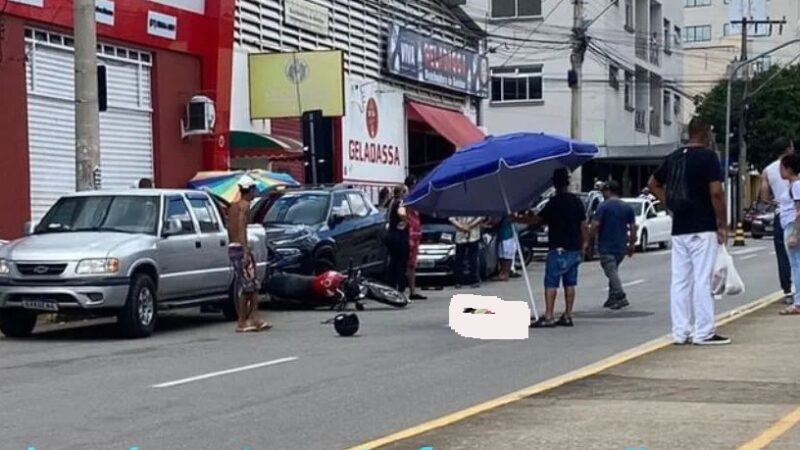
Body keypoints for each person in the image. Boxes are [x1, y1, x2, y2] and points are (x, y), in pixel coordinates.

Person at [648, 116, 729, 346]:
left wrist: (670, 203)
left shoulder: (673, 157)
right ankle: (704, 332)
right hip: (702, 226)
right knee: (702, 279)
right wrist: (722, 223)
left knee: (680, 281)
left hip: (680, 228)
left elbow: (652, 184)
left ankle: (680, 332)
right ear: (705, 133)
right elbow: (716, 193)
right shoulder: (708, 157)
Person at [516, 168, 587, 328]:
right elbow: (584, 225)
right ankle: (568, 315)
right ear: (568, 183)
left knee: (551, 283)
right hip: (574, 248)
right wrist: (584, 245)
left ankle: (549, 315)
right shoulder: (576, 202)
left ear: (554, 184)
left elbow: (537, 220)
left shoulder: (554, 203)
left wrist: (517, 218)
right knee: (570, 283)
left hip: (558, 248)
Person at [227, 175, 270, 333]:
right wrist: (245, 250)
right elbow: (241, 227)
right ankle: (244, 321)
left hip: (233, 248)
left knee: (249, 286)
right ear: (249, 190)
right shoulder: (244, 206)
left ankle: (253, 319)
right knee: (248, 286)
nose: (255, 193)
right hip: (240, 249)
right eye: (253, 190)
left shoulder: (233, 206)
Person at [590, 180, 637, 310]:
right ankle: (612, 298)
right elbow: (633, 228)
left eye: (604, 191)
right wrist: (632, 244)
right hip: (621, 245)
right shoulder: (627, 207)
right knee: (614, 270)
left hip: (606, 245)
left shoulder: (603, 206)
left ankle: (620, 295)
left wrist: (588, 238)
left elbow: (595, 224)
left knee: (611, 271)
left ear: (608, 190)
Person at [760, 137, 795, 304]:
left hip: (781, 215)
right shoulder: (795, 166)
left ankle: (788, 291)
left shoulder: (767, 170)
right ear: (788, 149)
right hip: (796, 212)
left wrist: (777, 202)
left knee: (783, 256)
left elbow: (764, 196)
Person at [777, 154, 800, 315]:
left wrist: (796, 234)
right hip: (791, 226)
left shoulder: (796, 185)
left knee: (796, 266)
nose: (780, 170)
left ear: (789, 168)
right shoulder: (793, 185)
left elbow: (799, 211)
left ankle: (798, 302)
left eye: (782, 167)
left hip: (793, 227)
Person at [404, 175, 427, 300]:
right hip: (410, 234)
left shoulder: (415, 198)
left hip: (416, 233)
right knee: (407, 264)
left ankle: (412, 290)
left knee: (412, 264)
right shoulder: (407, 200)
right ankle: (404, 289)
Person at [385, 185, 410, 293]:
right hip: (399, 236)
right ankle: (401, 289)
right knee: (401, 263)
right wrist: (406, 220)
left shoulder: (391, 202)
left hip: (391, 234)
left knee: (393, 262)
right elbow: (401, 213)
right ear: (402, 193)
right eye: (406, 192)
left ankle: (392, 286)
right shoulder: (400, 202)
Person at [449, 216, 484, 288]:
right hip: (460, 235)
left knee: (473, 259)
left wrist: (468, 227)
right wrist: (462, 228)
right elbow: (452, 219)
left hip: (473, 235)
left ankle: (473, 280)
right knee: (459, 259)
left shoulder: (478, 205)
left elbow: (481, 217)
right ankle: (458, 281)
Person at [492, 215, 516, 282]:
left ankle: (506, 274)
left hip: (507, 235)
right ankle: (502, 273)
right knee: (502, 256)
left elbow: (496, 221)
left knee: (507, 256)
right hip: (502, 235)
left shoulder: (505, 213)